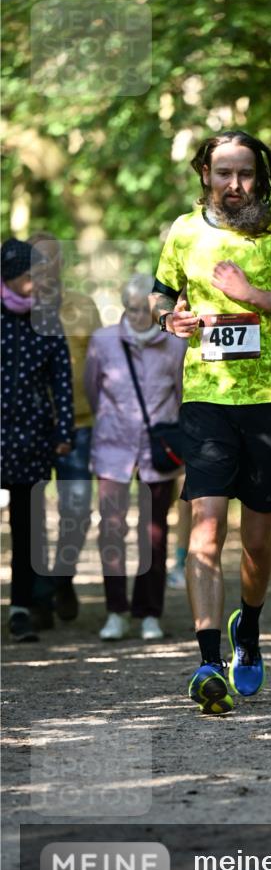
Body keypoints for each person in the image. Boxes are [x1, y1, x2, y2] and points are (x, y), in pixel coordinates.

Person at [150, 129, 271, 714]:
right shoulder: (182, 232)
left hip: (268, 401)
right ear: (205, 174)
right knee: (206, 529)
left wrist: (250, 294)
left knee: (256, 541)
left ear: (260, 176)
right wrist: (168, 320)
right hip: (205, 398)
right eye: (224, 173)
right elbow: (160, 298)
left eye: (245, 173)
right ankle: (206, 660)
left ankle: (246, 631)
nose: (234, 184)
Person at [85, 274, 187, 641]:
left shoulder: (175, 345)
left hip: (158, 451)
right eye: (130, 309)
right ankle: (116, 611)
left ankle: (149, 613)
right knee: (110, 530)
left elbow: (181, 395)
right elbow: (92, 391)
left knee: (155, 534)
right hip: (112, 448)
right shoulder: (103, 342)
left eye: (143, 310)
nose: (137, 316)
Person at [0, 237, 74, 642]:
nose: (37, 283)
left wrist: (63, 431)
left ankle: (21, 609)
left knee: (28, 528)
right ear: (10, 277)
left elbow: (61, 381)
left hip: (32, 437)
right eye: (29, 276)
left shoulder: (46, 318)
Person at [28, 231, 102, 625]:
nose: (45, 267)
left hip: (81, 426)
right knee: (34, 511)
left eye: (51, 259)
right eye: (36, 260)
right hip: (33, 430)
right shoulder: (16, 310)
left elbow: (102, 365)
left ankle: (62, 576)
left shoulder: (84, 307)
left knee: (77, 512)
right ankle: (39, 598)